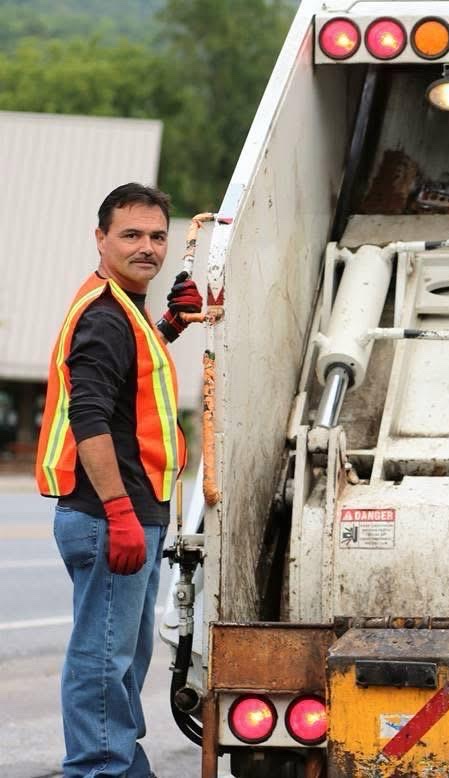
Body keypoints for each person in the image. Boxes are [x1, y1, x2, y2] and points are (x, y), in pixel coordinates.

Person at [35, 183, 203, 777]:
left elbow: (128, 383)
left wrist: (171, 325)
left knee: (125, 657)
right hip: (112, 515)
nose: (149, 248)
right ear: (100, 238)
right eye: (131, 234)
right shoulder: (106, 315)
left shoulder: (125, 311)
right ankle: (100, 769)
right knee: (102, 659)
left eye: (158, 235)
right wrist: (119, 512)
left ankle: (120, 765)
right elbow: (90, 419)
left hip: (131, 513)